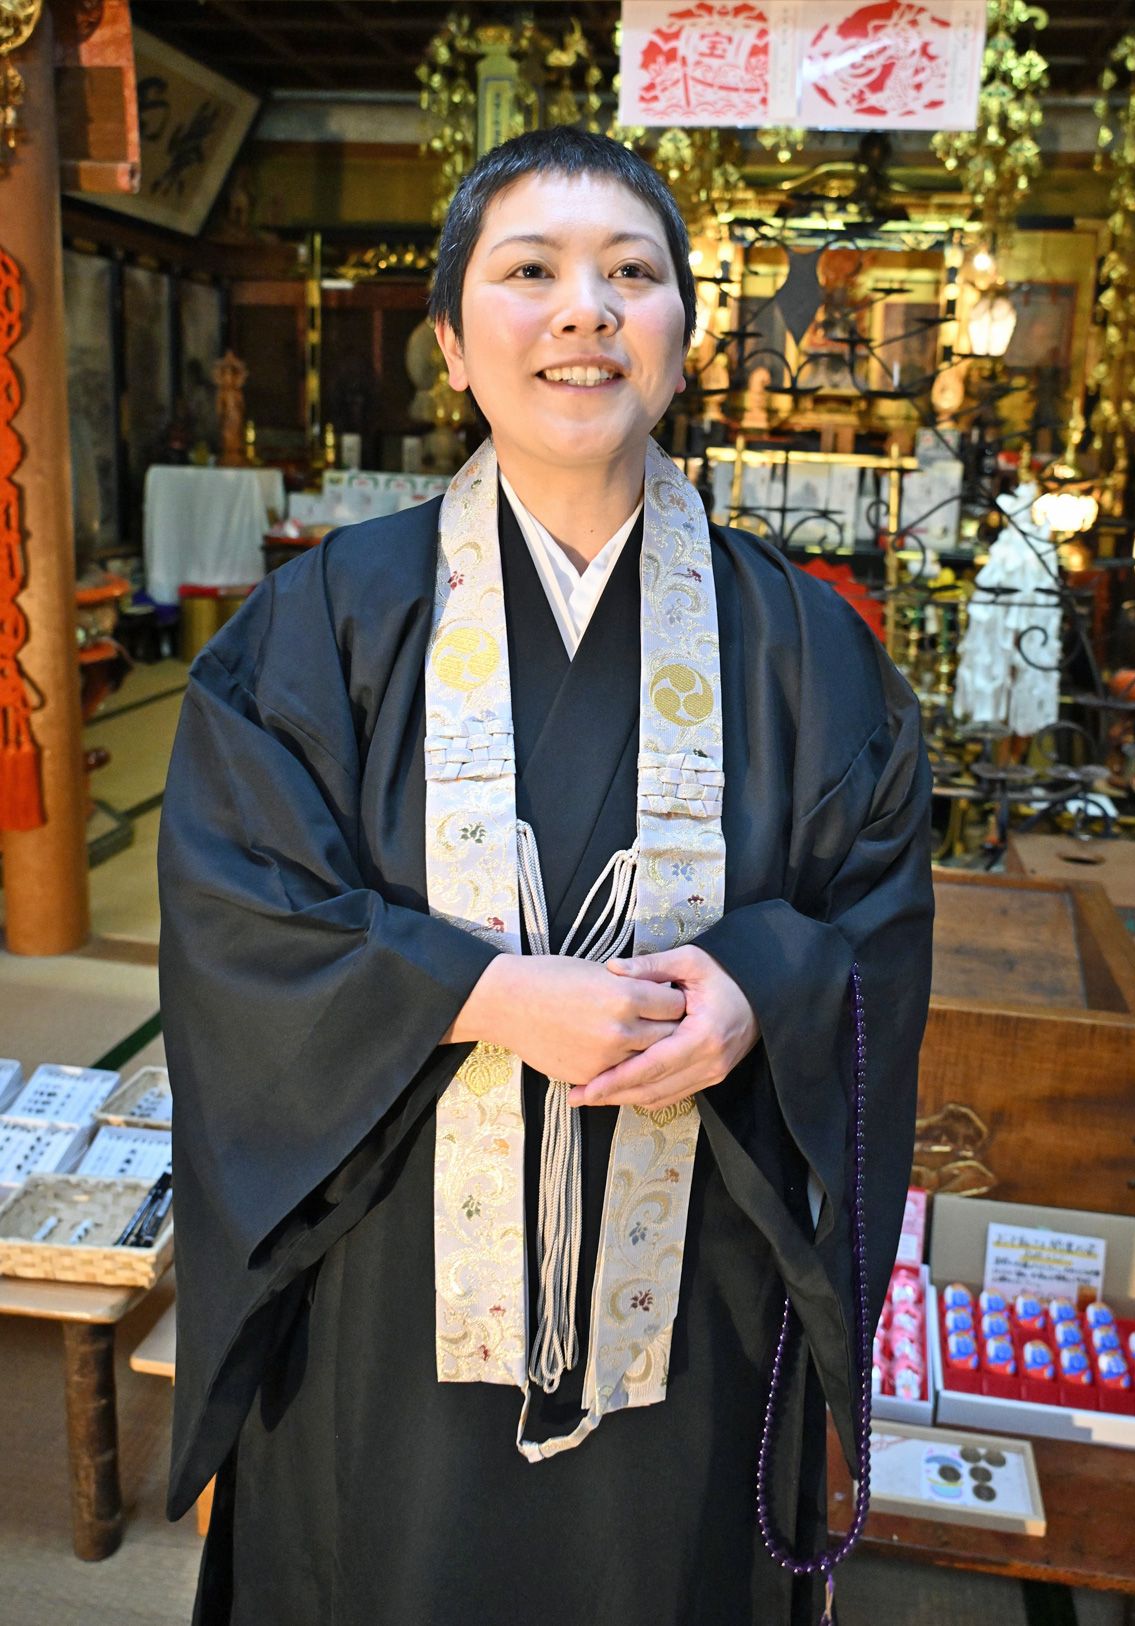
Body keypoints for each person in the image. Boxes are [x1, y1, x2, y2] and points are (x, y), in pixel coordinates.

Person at [159, 126, 934, 1626]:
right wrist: (486, 991)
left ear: (685, 338)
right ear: (452, 339)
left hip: (696, 1281)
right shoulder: (328, 620)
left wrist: (762, 989)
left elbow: (876, 906)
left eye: (631, 273)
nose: (585, 309)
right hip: (387, 1289)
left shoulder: (804, 643)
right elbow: (235, 904)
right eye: (531, 273)